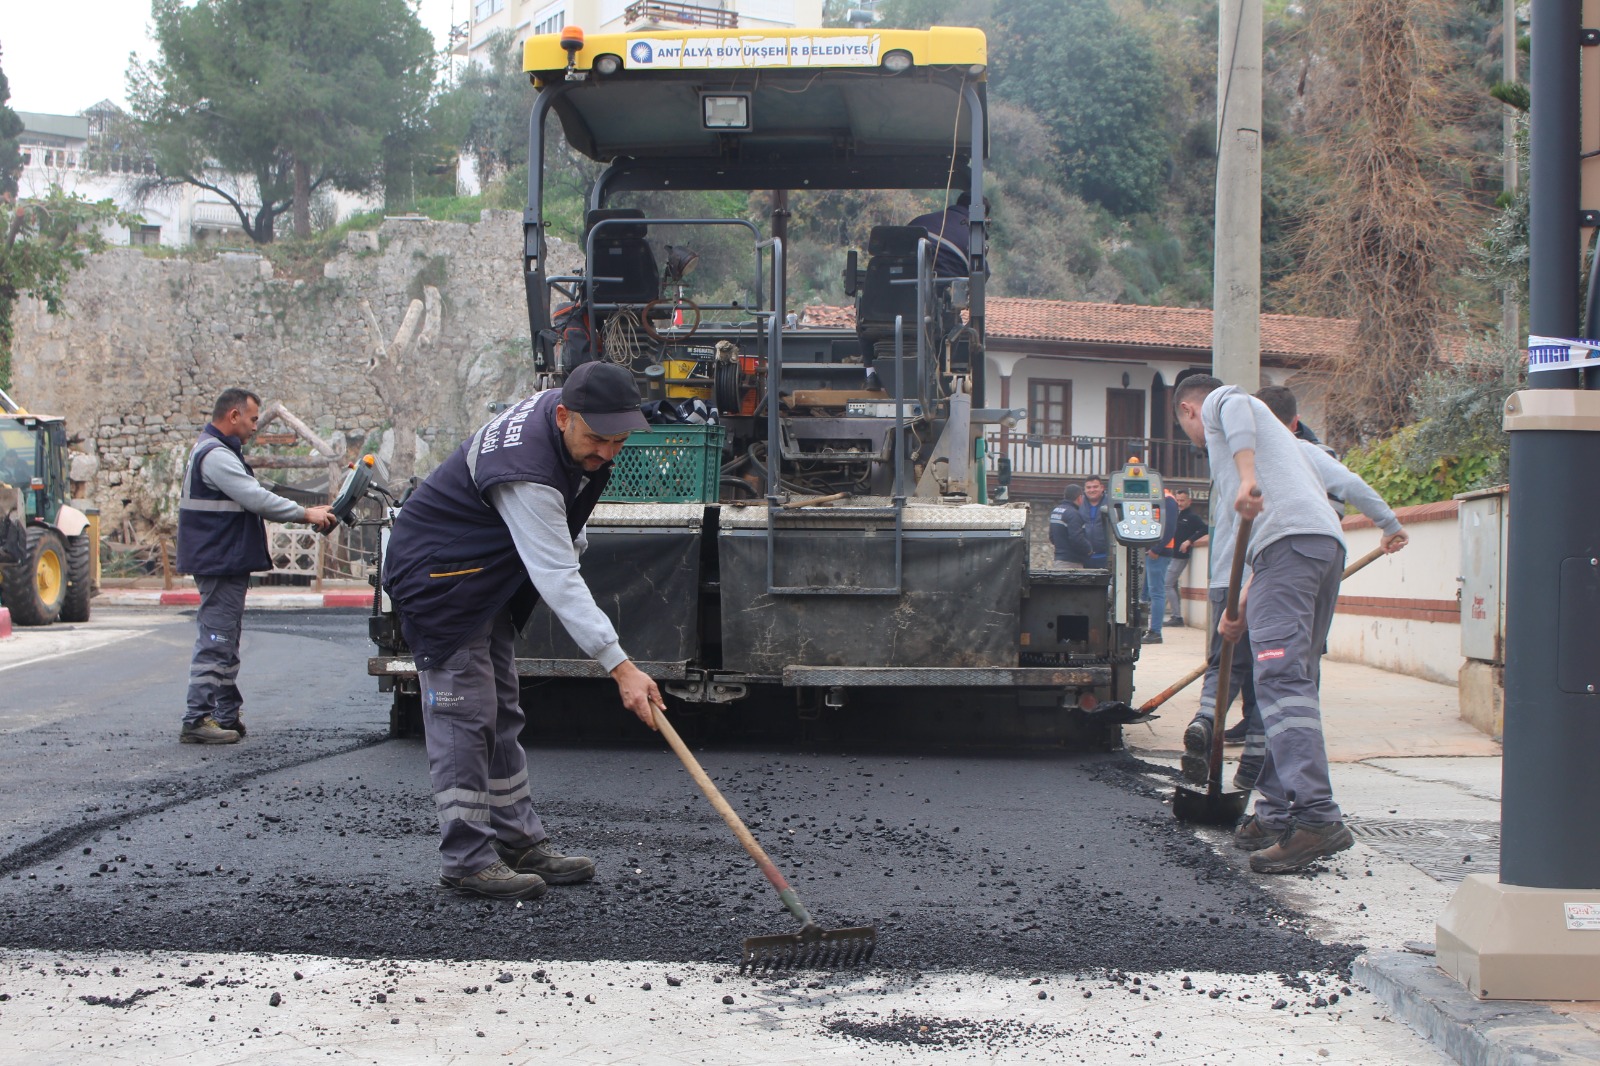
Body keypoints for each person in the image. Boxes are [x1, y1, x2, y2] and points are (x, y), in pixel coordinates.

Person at [382, 361, 665, 901]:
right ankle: (466, 858)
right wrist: (620, 665)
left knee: (501, 707)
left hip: (480, 574)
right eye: (598, 439)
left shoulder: (566, 420)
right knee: (465, 713)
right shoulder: (527, 469)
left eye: (619, 440)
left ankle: (516, 840)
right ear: (564, 416)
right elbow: (556, 574)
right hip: (440, 579)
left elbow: (561, 535)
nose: (607, 452)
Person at [1172, 374, 1353, 874]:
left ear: (1188, 411)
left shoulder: (1218, 407)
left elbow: (1229, 404)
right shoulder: (1292, 447)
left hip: (1288, 547)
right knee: (1296, 682)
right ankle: (1274, 814)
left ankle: (1316, 818)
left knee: (1278, 679)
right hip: (1317, 548)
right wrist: (1241, 608)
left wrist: (1245, 474)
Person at [175, 389, 335, 745]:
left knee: (226, 640)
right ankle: (197, 718)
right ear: (233, 416)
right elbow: (256, 498)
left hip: (223, 559)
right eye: (251, 420)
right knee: (216, 639)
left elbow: (252, 490)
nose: (254, 428)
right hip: (219, 561)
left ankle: (225, 714)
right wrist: (304, 512)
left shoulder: (217, 452)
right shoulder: (216, 456)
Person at [907, 192, 987, 279]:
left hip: (901, 276)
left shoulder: (920, 220)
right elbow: (982, 274)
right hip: (943, 284)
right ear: (982, 215)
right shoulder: (973, 233)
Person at [1140, 488, 1180, 643]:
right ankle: (1149, 629)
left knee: (1156, 592)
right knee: (1148, 592)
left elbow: (1169, 527)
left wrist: (1156, 548)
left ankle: (1155, 632)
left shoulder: (1168, 500)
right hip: (1153, 550)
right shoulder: (1157, 498)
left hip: (1158, 551)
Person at [1163, 489, 1207, 627]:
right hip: (1171, 554)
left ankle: (1177, 616)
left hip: (1180, 556)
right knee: (1172, 585)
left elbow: (1204, 529)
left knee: (1166, 584)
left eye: (1183, 500)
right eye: (1178, 500)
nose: (1180, 503)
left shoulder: (1192, 517)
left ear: (1189, 501)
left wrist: (1189, 540)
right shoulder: (1175, 515)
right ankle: (1176, 615)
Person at [1049, 484, 1093, 568]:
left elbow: (1052, 537)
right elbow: (1077, 538)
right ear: (1079, 497)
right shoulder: (1073, 514)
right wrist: (1089, 549)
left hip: (1059, 560)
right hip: (1072, 563)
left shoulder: (1056, 511)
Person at [1078, 475, 1109, 568]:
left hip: (1106, 556)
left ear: (1102, 488)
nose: (1092, 490)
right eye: (1088, 487)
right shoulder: (1079, 503)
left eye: (1095, 487)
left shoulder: (1110, 503)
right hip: (1083, 557)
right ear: (1084, 489)